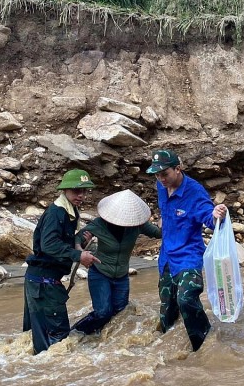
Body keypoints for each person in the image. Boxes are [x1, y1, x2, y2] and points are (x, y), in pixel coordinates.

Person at [146, 149, 227, 351]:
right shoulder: (161, 185)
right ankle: (164, 346)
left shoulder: (195, 192)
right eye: (157, 174)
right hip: (166, 257)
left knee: (187, 298)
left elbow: (208, 218)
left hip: (188, 257)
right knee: (167, 310)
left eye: (165, 173)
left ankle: (204, 346)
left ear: (178, 168)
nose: (160, 178)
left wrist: (217, 215)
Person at [22, 169, 100, 354]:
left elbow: (59, 241)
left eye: (84, 191)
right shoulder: (56, 213)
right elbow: (48, 244)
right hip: (44, 285)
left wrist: (78, 246)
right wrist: (78, 256)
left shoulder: (68, 211)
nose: (81, 195)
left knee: (38, 338)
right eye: (76, 191)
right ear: (64, 190)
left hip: (40, 283)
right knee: (57, 338)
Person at [72, 189, 162, 335]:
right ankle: (76, 333)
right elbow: (77, 238)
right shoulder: (99, 224)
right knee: (103, 312)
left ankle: (101, 341)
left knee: (120, 313)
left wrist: (165, 219)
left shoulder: (137, 224)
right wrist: (81, 249)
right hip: (100, 273)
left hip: (121, 276)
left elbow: (158, 233)